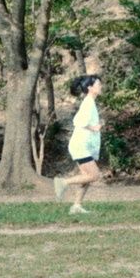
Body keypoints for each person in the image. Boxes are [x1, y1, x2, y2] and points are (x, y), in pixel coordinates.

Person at [53, 75, 103, 214]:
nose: (101, 86)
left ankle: (76, 206)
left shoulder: (90, 102)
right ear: (90, 88)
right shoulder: (88, 103)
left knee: (86, 177)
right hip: (81, 145)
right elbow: (78, 121)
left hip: (82, 145)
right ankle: (63, 183)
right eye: (98, 84)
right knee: (94, 175)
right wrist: (94, 128)